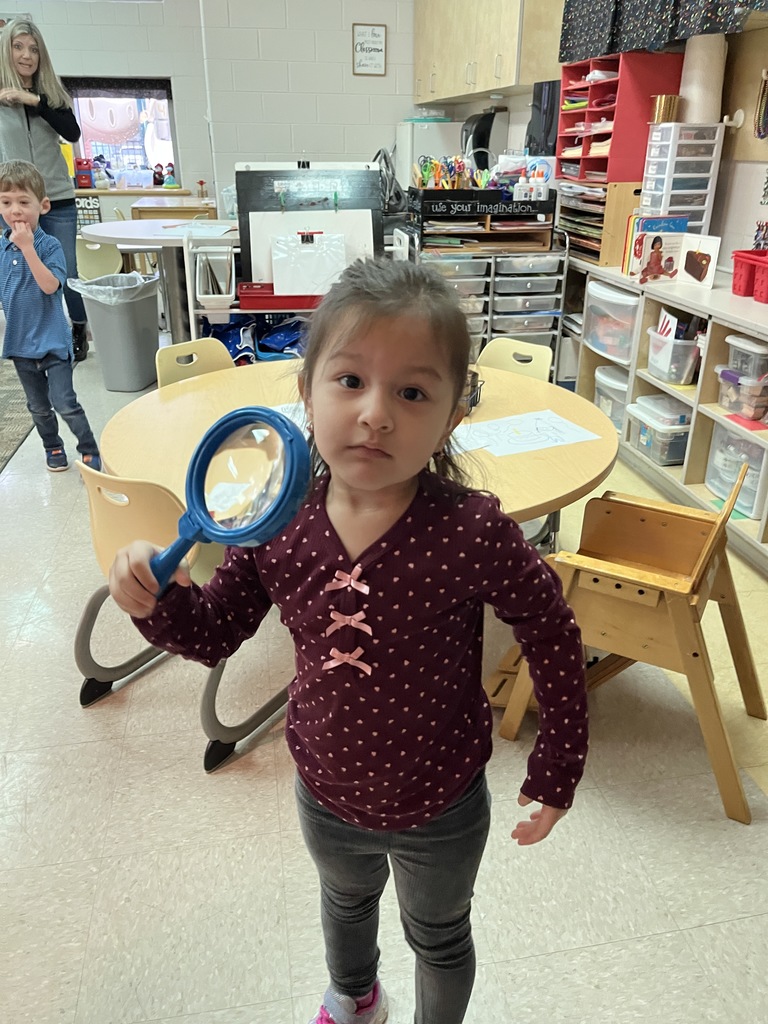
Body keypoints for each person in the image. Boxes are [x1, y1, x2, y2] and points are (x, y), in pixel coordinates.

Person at [108, 259, 588, 1024]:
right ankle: (355, 997)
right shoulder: (275, 516)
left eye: (412, 392)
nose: (375, 414)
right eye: (349, 381)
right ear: (306, 391)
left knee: (439, 935)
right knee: (344, 902)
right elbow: (214, 631)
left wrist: (558, 763)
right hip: (325, 791)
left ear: (451, 416)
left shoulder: (473, 532)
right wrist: (154, 599)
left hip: (443, 801)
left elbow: (553, 633)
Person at [0, 159, 101, 473]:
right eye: (6, 202)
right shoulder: (2, 250)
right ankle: (52, 446)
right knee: (39, 408)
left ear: (42, 206)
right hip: (19, 344)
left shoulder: (49, 245)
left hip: (54, 342)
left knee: (64, 403)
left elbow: (50, 286)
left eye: (23, 202)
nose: (15, 210)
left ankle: (88, 448)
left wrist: (28, 248)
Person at [0, 18, 89, 360]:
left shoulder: (50, 96)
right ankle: (29, 336)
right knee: (18, 268)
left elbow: (72, 132)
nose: (26, 56)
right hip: (15, 202)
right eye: (18, 47)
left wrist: (32, 100)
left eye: (34, 49)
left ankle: (77, 328)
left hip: (57, 199)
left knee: (65, 268)